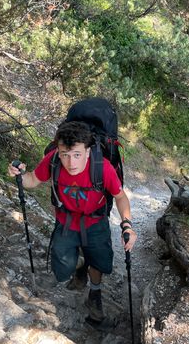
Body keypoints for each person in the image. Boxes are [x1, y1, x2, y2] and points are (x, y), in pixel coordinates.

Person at [8, 121, 137, 323]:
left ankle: (94, 294)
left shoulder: (102, 168)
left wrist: (127, 225)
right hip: (66, 221)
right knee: (61, 270)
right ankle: (80, 265)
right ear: (58, 151)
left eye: (77, 154)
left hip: (95, 221)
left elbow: (120, 197)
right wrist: (20, 175)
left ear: (88, 151)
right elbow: (32, 179)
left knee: (100, 263)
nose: (71, 162)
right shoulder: (53, 160)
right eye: (65, 154)